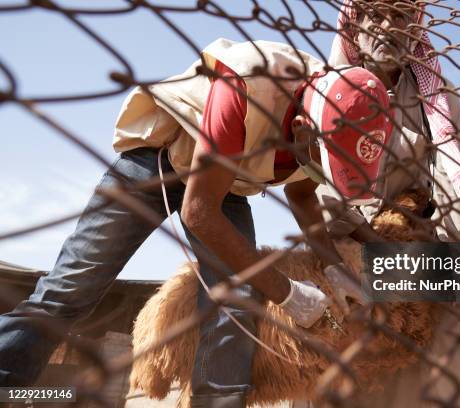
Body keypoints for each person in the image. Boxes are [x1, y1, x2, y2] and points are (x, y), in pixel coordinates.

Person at [0, 38, 391, 408]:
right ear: (305, 128)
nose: (321, 172)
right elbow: (199, 212)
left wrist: (334, 267)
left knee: (234, 306)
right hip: (157, 163)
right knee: (72, 288)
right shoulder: (248, 84)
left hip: (228, 184)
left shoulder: (336, 120)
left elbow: (303, 195)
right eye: (323, 162)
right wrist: (286, 293)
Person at [315, 1, 460, 407]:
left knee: (444, 329)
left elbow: (451, 174)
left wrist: (451, 241)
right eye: (376, 15)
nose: (389, 26)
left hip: (411, 234)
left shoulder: (433, 95)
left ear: (414, 28)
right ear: (354, 25)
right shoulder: (326, 91)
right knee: (329, 327)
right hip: (344, 235)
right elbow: (322, 191)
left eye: (401, 16)